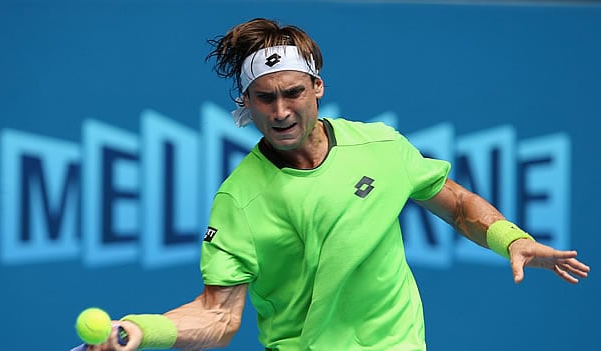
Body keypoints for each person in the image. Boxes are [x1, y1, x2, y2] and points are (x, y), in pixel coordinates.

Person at [87, 18, 590, 351]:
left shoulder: (380, 146)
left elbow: (456, 204)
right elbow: (219, 316)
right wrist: (140, 330)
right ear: (246, 103)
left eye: (293, 93)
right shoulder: (239, 200)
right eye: (265, 98)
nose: (281, 111)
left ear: (318, 87)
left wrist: (512, 240)